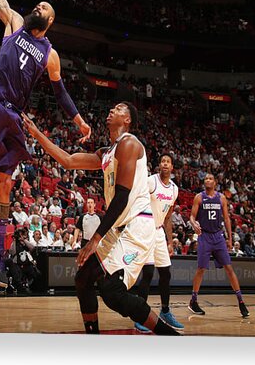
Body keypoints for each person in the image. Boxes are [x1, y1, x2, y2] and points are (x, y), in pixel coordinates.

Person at [0, 0, 91, 288]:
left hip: (15, 117)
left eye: (44, 8)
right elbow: (0, 3)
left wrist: (79, 121)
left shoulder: (50, 54)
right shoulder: (16, 23)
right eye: (38, 4)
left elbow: (60, 92)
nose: (38, 7)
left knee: (6, 186)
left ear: (50, 21)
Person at [24, 103, 178, 335]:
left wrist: (96, 238)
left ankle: (168, 335)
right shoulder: (108, 152)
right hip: (119, 227)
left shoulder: (129, 143)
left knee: (112, 292)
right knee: (84, 278)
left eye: (118, 109)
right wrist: (37, 134)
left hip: (137, 225)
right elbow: (68, 160)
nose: (111, 111)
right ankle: (92, 336)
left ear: (127, 120)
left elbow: (122, 197)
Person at [133, 153, 184, 332]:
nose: (165, 164)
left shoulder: (174, 189)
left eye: (168, 162)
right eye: (162, 161)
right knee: (147, 273)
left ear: (172, 167)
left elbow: (168, 217)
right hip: (145, 230)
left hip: (159, 231)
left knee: (165, 273)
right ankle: (140, 315)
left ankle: (165, 311)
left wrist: (170, 241)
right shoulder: (151, 181)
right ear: (159, 165)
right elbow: (136, 199)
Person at [188, 173, 250, 318]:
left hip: (218, 236)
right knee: (201, 269)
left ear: (215, 182)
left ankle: (241, 301)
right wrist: (193, 223)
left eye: (210, 179)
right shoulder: (199, 197)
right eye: (206, 179)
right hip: (204, 236)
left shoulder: (221, 197)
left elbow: (227, 219)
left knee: (229, 268)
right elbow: (191, 216)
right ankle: (193, 301)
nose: (208, 180)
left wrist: (229, 238)